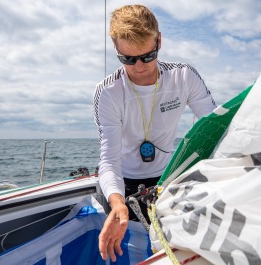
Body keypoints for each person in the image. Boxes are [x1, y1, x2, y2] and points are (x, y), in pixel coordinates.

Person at [93, 4, 216, 262]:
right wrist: (117, 203)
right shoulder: (108, 92)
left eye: (147, 56)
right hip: (121, 185)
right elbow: (109, 160)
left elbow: (214, 128)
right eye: (128, 59)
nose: (139, 67)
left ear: (159, 41)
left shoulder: (183, 77)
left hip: (166, 180)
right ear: (116, 50)